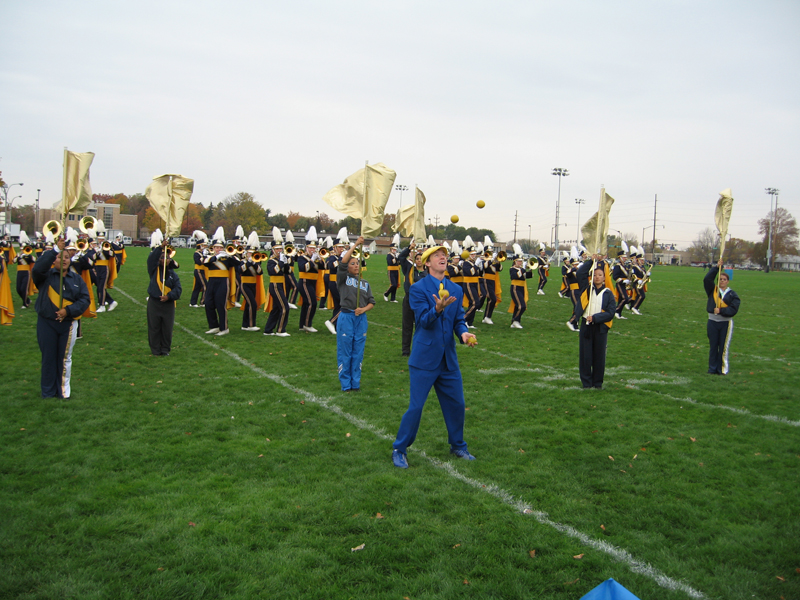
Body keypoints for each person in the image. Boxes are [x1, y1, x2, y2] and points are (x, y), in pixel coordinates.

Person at [392, 245, 478, 469]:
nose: (443, 257)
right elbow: (421, 321)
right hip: (424, 358)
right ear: (427, 263)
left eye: (444, 255)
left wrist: (463, 333)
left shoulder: (455, 290)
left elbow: (458, 319)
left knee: (457, 404)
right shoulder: (418, 288)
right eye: (437, 255)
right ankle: (399, 449)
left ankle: (458, 445)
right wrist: (437, 309)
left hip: (448, 359)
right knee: (416, 407)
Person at [31, 239, 90, 399]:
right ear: (54, 259)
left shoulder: (77, 279)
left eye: (66, 257)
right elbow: (37, 269)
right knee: (48, 357)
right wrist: (54, 249)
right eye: (59, 257)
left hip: (68, 324)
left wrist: (68, 310)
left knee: (64, 358)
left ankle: (63, 391)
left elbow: (85, 300)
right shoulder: (45, 276)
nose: (63, 260)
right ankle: (48, 392)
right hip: (46, 323)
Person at [336, 237, 375, 392]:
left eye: (357, 263)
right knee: (345, 351)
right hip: (346, 317)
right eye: (353, 263)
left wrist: (363, 310)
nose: (355, 265)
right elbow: (342, 263)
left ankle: (355, 383)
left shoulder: (365, 284)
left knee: (357, 352)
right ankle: (345, 384)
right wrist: (355, 246)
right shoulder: (343, 279)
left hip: (361, 319)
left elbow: (372, 302)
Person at [576, 256, 616, 389]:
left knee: (599, 357)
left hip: (600, 328)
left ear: (604, 278)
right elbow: (580, 273)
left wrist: (596, 318)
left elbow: (610, 313)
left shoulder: (608, 293)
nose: (597, 277)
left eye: (600, 275)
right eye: (594, 275)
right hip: (586, 326)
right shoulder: (586, 288)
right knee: (585, 356)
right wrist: (591, 261)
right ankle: (586, 383)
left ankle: (597, 383)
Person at [704, 259, 740, 375]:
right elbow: (707, 279)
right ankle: (712, 368)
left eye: (724, 280)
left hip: (725, 323)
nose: (722, 281)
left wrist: (721, 310)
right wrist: (716, 267)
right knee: (713, 346)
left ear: (728, 281)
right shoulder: (713, 291)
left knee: (723, 347)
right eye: (720, 279)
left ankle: (722, 369)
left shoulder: (732, 294)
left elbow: (733, 310)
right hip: (712, 322)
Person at [146, 242, 182, 356]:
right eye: (162, 257)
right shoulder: (154, 270)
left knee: (167, 328)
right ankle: (155, 350)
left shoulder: (173, 274)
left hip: (168, 304)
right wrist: (160, 247)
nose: (165, 259)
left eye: (167, 257)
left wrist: (169, 296)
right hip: (154, 303)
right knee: (154, 328)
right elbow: (151, 259)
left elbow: (178, 289)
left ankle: (165, 349)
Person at [202, 240, 239, 336]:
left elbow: (238, 263)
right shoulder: (209, 257)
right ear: (213, 248)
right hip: (211, 282)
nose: (219, 249)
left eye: (221, 247)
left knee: (220, 304)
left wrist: (230, 256)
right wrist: (216, 257)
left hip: (223, 282)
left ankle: (224, 328)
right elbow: (205, 263)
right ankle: (214, 326)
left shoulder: (227, 258)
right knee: (208, 303)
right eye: (217, 247)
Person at [263, 241, 291, 337]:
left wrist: (286, 263)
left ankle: (268, 330)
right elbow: (273, 271)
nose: (279, 251)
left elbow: (289, 272)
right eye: (277, 249)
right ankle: (280, 330)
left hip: (281, 284)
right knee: (284, 307)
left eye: (280, 249)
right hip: (275, 285)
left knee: (276, 308)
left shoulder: (281, 259)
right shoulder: (271, 261)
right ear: (273, 250)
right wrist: (281, 263)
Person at [508, 253, 532, 329]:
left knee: (518, 306)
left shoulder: (522, 269)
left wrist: (530, 269)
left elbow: (528, 276)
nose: (520, 263)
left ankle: (515, 322)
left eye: (521, 261)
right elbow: (514, 276)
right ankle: (515, 321)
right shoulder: (512, 269)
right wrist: (522, 270)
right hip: (515, 288)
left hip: (522, 288)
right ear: (515, 261)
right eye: (518, 261)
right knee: (522, 306)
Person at [189, 240, 207, 307]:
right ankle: (203, 302)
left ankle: (193, 302)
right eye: (203, 245)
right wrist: (204, 257)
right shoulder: (196, 253)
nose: (204, 246)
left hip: (202, 270)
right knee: (205, 286)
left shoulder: (202, 253)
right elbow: (198, 262)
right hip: (198, 270)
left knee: (197, 287)